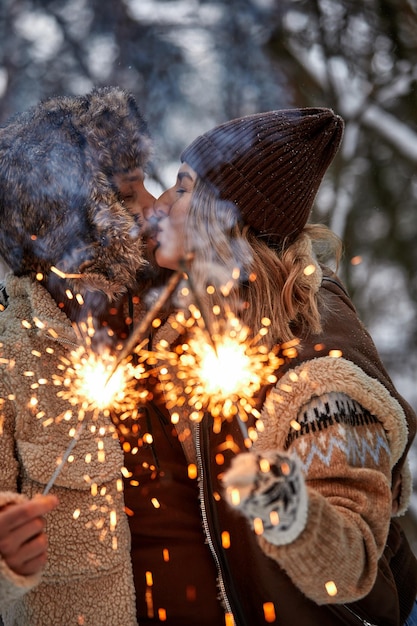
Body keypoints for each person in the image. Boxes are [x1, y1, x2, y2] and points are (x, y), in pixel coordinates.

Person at [122, 108, 417, 625]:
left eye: (184, 188)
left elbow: (354, 567)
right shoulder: (204, 306)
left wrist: (290, 510)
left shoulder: (324, 381)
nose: (163, 203)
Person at [0, 86, 156, 625]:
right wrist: (5, 561)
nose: (153, 208)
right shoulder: (9, 358)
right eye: (130, 195)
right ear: (78, 220)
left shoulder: (165, 306)